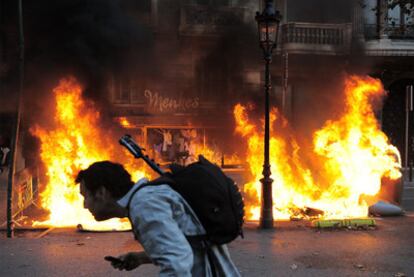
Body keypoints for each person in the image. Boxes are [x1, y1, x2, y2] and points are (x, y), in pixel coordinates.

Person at [75, 161, 241, 276]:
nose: (84, 205)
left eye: (86, 196)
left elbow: (176, 264)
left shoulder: (143, 205)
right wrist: (141, 257)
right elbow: (185, 244)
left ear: (101, 193)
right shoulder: (147, 197)